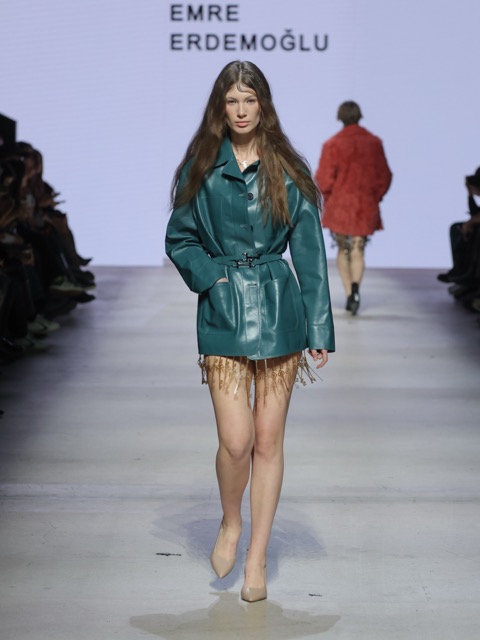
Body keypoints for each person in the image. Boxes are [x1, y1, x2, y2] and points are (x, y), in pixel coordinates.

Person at [165, 60, 335, 603]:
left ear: (264, 104)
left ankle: (256, 557)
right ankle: (231, 521)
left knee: (267, 440)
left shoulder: (287, 169)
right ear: (221, 106)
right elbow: (179, 237)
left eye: (250, 100)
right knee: (235, 442)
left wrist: (319, 327)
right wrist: (211, 278)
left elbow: (309, 252)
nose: (241, 111)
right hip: (223, 311)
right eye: (232, 100)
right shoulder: (200, 167)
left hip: (280, 309)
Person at [315, 101, 392, 314]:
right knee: (358, 247)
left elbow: (323, 179)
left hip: (340, 203)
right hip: (365, 202)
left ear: (340, 117)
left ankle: (349, 293)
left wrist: (329, 197)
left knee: (343, 248)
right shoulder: (374, 143)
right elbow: (385, 175)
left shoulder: (332, 144)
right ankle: (356, 288)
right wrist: (375, 196)